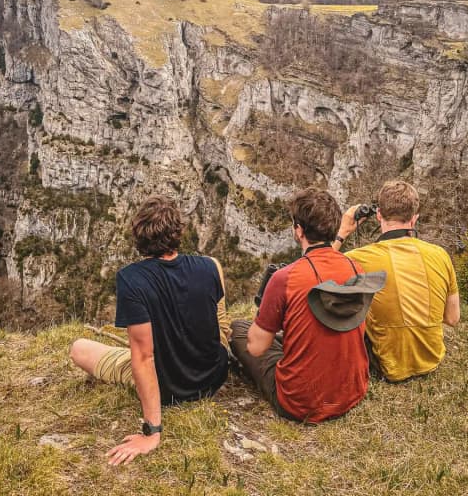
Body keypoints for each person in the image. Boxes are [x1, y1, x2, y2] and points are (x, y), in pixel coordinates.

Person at [68, 196, 229, 465]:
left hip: (168, 388)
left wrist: (152, 432)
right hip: (214, 376)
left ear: (139, 237)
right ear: (178, 231)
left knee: (79, 349)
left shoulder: (131, 279)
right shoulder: (210, 265)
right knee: (220, 314)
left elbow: (143, 358)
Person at [230, 187, 377, 423]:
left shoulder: (284, 279)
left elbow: (257, 348)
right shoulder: (354, 269)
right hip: (351, 392)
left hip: (300, 403)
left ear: (299, 231)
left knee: (239, 330)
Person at [335, 180, 460, 382]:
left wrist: (342, 233)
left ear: (378, 216)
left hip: (385, 366)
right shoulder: (440, 255)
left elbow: (312, 270)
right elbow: (453, 318)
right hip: (430, 361)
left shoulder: (358, 258)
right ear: (415, 219)